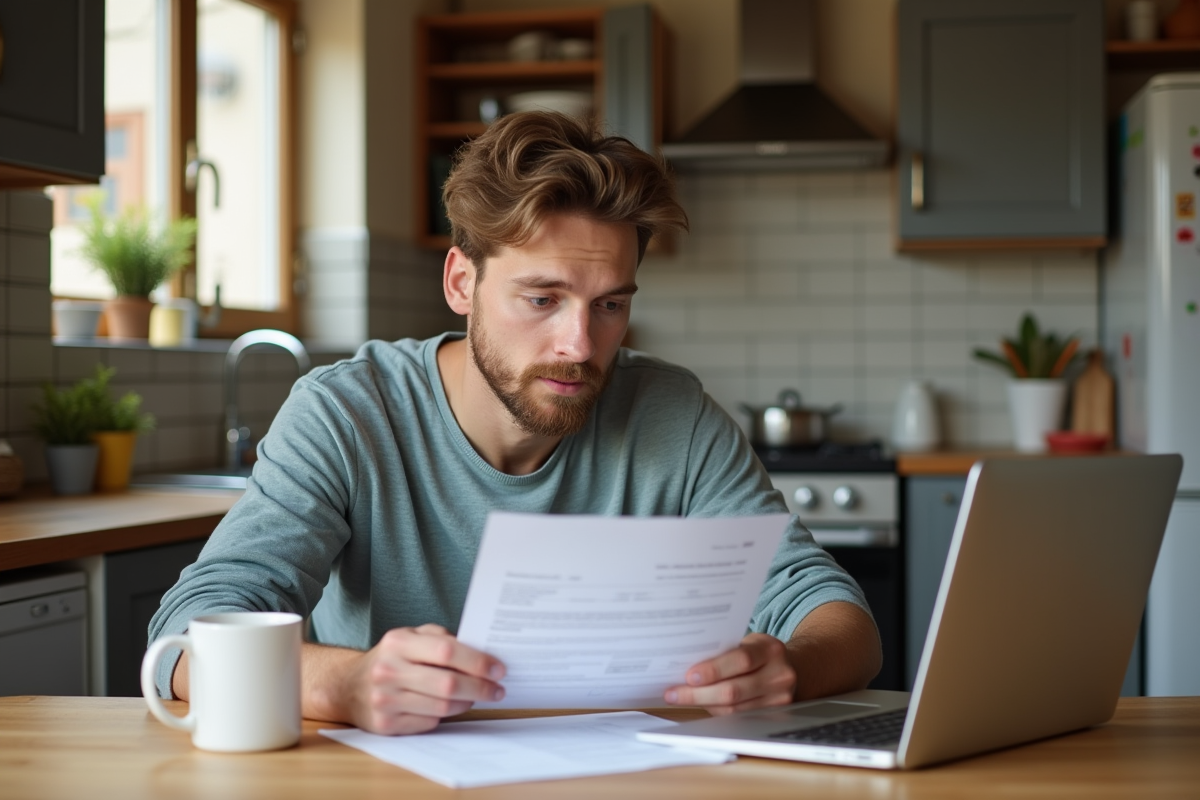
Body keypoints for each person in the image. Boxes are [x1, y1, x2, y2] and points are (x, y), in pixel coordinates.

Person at [149, 111, 881, 736]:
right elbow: (185, 640)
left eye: (610, 304)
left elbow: (838, 617)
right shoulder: (346, 413)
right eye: (542, 299)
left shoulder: (674, 413)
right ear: (462, 282)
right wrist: (342, 685)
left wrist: (790, 666)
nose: (580, 345)